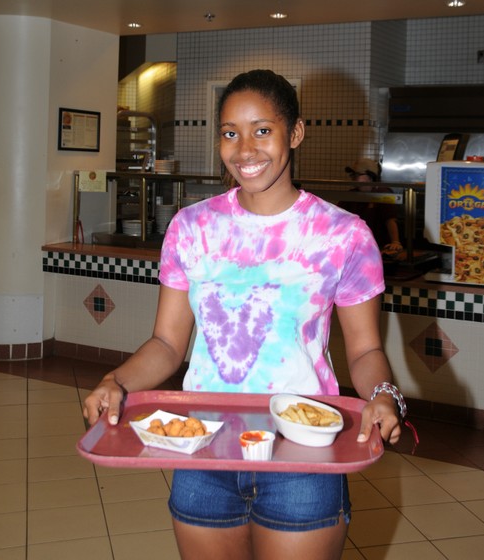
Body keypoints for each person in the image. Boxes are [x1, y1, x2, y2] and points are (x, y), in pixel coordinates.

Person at [84, 70, 405, 560]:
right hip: (203, 452)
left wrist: (383, 395)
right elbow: (168, 345)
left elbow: (365, 349)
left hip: (304, 455)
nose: (244, 149)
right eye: (231, 132)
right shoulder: (191, 227)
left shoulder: (343, 235)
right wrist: (117, 381)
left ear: (294, 133)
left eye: (262, 130)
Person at [339, 159, 403, 258]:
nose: (353, 178)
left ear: (370, 176)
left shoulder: (382, 193)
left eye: (357, 175)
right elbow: (338, 217)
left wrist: (395, 242)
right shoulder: (351, 195)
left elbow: (390, 220)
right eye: (352, 175)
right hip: (357, 247)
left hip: (378, 247)